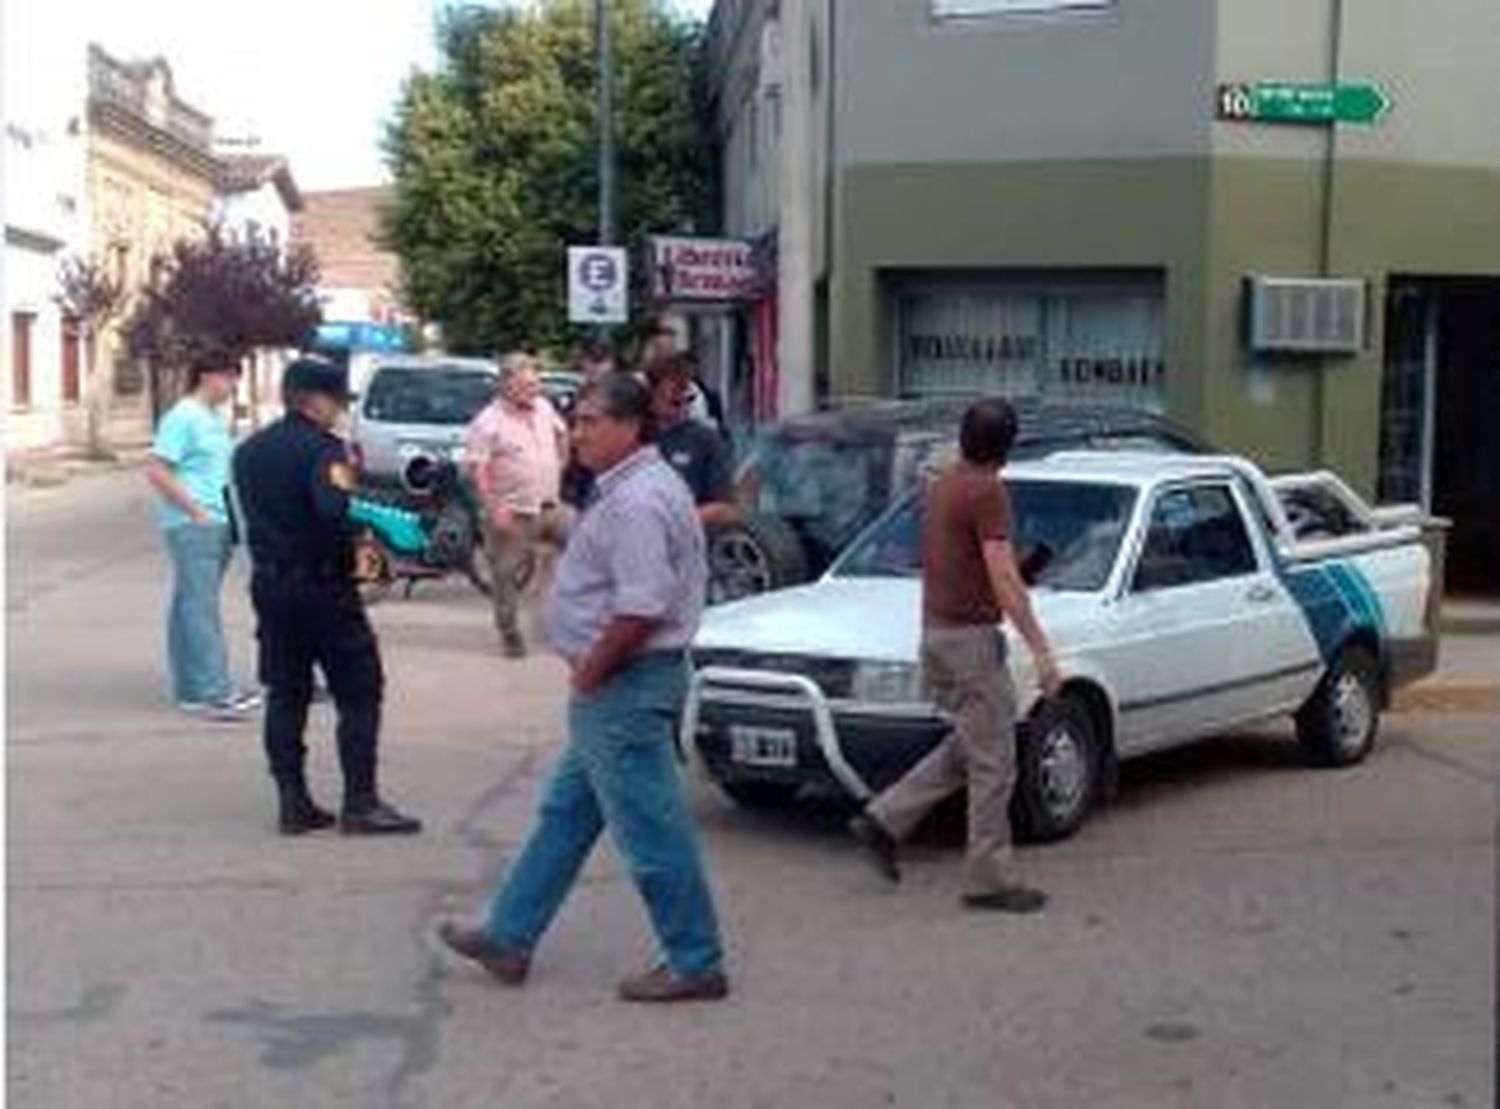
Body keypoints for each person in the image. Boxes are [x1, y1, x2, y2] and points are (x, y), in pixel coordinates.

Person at [439, 373, 729, 1004]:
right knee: (564, 817)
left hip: (624, 683)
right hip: (617, 684)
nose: (579, 432)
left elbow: (643, 605)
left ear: (631, 427)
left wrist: (594, 668)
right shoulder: (630, 488)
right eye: (577, 419)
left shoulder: (638, 500)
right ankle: (510, 936)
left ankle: (695, 959)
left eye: (593, 421)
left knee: (651, 831)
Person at [848, 397, 1061, 913]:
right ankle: (988, 877)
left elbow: (965, 563)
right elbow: (1002, 575)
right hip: (970, 641)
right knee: (996, 762)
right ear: (1008, 447)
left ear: (964, 438)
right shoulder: (988, 491)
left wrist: (1013, 572)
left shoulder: (942, 485)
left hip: (937, 633)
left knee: (972, 745)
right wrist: (1041, 649)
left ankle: (885, 818)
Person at [232, 358, 421, 837]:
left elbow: (242, 519)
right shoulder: (326, 452)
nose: (340, 409)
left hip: (271, 587)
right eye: (337, 400)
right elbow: (335, 515)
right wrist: (373, 562)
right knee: (360, 690)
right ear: (315, 400)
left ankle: (293, 803)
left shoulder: (249, 451)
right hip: (323, 588)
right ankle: (361, 803)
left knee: (287, 692)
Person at [144, 353, 260, 721]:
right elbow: (157, 470)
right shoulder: (183, 417)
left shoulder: (211, 418)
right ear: (207, 376)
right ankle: (213, 690)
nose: (233, 386)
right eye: (229, 377)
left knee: (187, 606)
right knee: (200, 607)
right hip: (195, 524)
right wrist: (196, 511)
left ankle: (191, 689)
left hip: (218, 520)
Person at [464, 351, 570, 658]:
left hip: (550, 505)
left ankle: (576, 619)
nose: (533, 392)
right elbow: (479, 469)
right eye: (526, 387)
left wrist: (561, 463)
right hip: (513, 510)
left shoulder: (544, 408)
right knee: (505, 575)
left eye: (535, 385)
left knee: (586, 542)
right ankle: (510, 633)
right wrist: (494, 506)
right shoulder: (487, 422)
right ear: (505, 385)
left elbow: (562, 434)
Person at [645, 353, 738, 527]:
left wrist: (673, 522)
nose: (683, 407)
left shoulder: (705, 439)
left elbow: (725, 508)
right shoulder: (635, 435)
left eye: (688, 400)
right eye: (674, 401)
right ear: (651, 397)